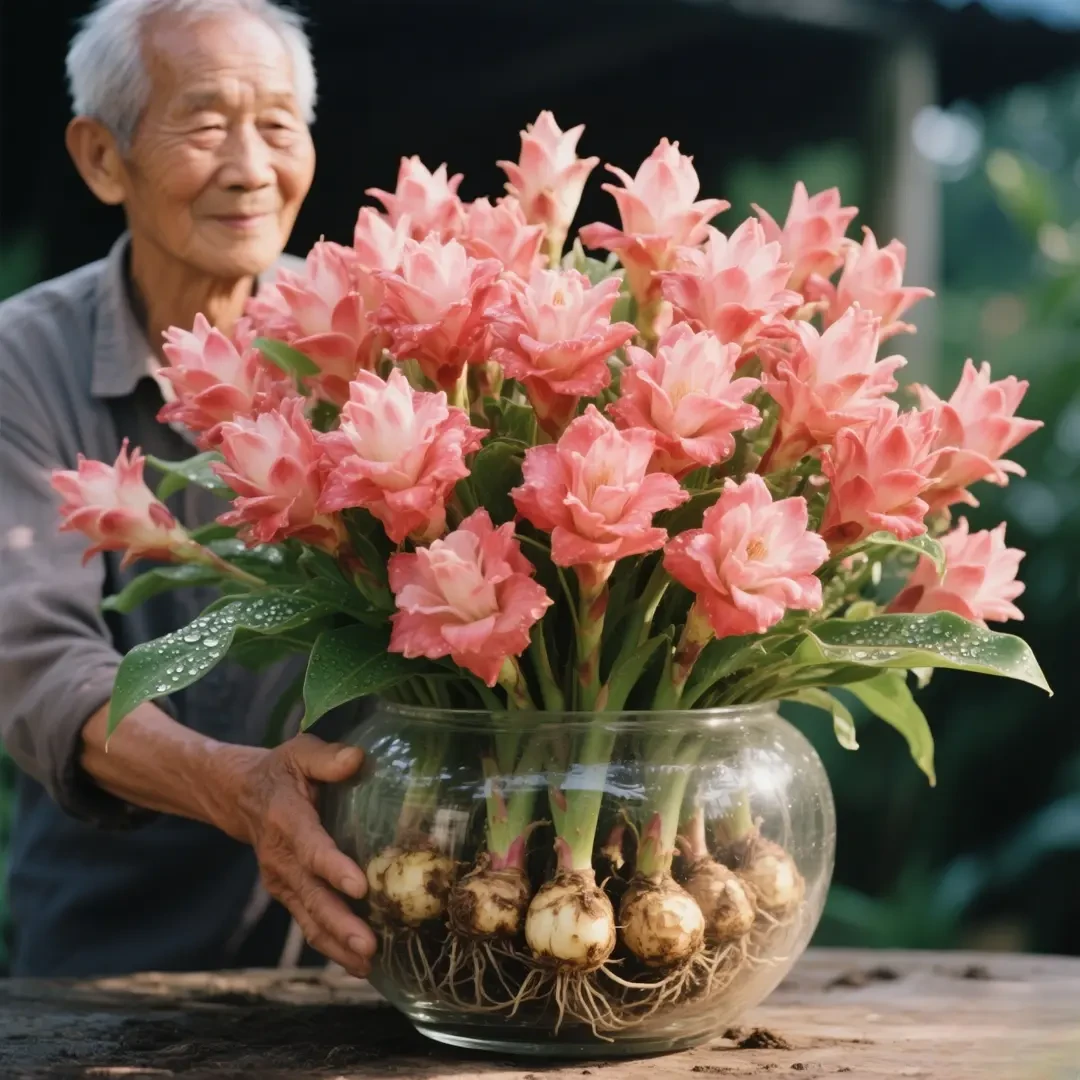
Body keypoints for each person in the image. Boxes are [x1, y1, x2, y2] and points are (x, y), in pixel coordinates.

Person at [0, 0, 377, 978]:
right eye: (206, 124)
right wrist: (241, 789)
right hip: (110, 960)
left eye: (279, 125)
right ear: (101, 157)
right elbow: (31, 661)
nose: (252, 167)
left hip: (371, 944)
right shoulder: (19, 363)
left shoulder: (368, 341)